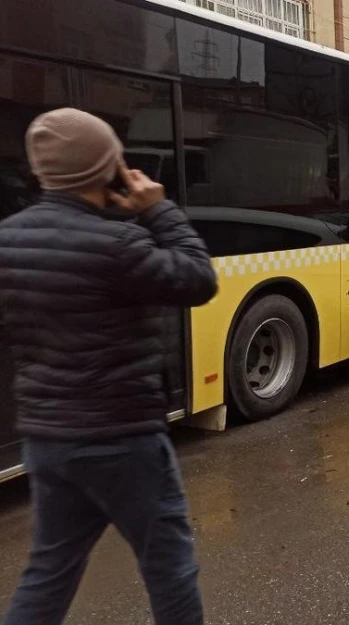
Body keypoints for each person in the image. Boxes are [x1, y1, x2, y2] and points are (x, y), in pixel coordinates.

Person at [0, 108, 218, 625]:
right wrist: (158, 211)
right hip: (120, 437)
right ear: (107, 169)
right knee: (168, 568)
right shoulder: (119, 243)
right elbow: (197, 279)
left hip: (47, 438)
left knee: (50, 569)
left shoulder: (6, 239)